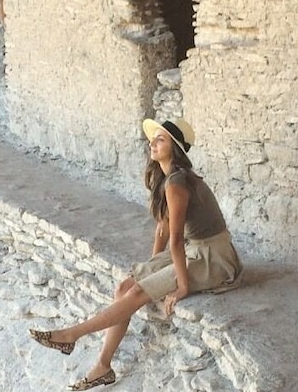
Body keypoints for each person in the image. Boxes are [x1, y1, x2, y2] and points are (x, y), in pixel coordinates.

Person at [28, 118, 243, 390]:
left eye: (161, 139)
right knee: (126, 286)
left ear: (175, 149)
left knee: (137, 293)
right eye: (153, 138)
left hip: (212, 255)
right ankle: (103, 366)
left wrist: (182, 287)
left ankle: (71, 334)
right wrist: (152, 267)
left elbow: (175, 240)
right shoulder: (167, 179)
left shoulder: (177, 183)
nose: (152, 142)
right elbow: (162, 232)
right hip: (192, 247)